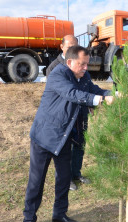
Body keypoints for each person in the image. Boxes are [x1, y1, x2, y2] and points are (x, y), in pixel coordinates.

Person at [23, 45, 113, 222]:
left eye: (87, 64)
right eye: (82, 64)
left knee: (64, 178)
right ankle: (28, 221)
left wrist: (112, 94)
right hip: (44, 137)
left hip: (64, 137)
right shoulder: (58, 74)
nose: (85, 68)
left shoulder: (84, 77)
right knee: (36, 182)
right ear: (70, 61)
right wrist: (101, 100)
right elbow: (73, 94)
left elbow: (95, 90)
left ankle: (59, 214)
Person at [46, 35, 90, 191]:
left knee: (80, 145)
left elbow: (88, 88)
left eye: (75, 45)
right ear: (62, 47)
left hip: (80, 114)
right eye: (70, 45)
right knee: (65, 150)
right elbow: (67, 93)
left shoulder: (82, 66)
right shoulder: (55, 68)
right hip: (64, 116)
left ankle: (76, 173)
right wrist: (95, 99)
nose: (72, 48)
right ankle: (66, 179)